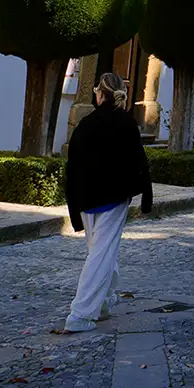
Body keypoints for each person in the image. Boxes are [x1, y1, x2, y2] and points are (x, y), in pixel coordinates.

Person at [62, 73, 152, 333]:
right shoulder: (126, 124)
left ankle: (101, 303)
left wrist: (75, 203)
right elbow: (139, 163)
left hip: (87, 199)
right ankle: (80, 314)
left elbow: (73, 166)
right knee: (101, 255)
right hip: (113, 198)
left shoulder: (86, 124)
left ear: (99, 94)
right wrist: (144, 197)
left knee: (100, 253)